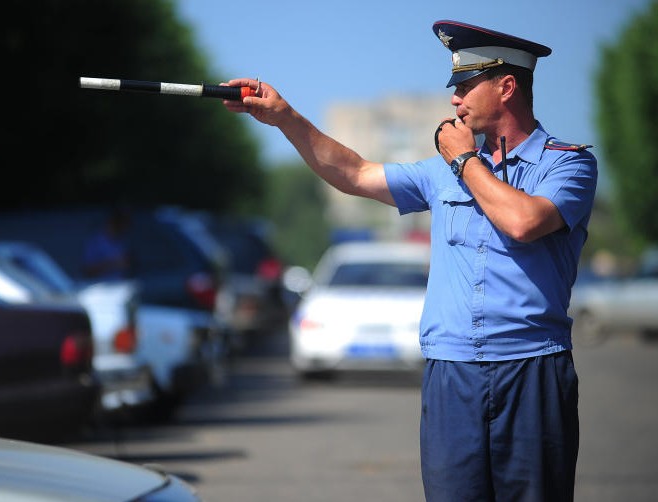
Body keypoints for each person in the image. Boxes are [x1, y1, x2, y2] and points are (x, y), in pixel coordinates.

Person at [222, 19, 597, 502]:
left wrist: (465, 163)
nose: (454, 100)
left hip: (531, 369)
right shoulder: (439, 172)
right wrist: (284, 117)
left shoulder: (566, 164)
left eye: (465, 86)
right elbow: (355, 173)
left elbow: (524, 222)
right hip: (451, 372)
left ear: (507, 87)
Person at [82, 207, 133, 281]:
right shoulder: (95, 242)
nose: (126, 228)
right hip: (100, 288)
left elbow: (129, 265)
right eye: (123, 223)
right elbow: (87, 272)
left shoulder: (122, 241)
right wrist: (113, 264)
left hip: (120, 285)